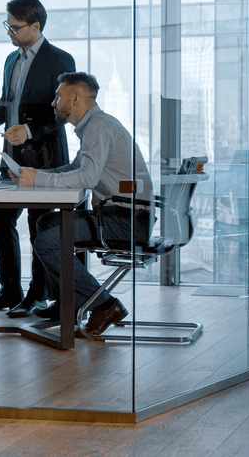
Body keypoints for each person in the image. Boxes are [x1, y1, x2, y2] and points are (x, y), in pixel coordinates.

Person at [19, 72, 154, 336]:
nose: (53, 103)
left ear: (76, 97)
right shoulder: (94, 125)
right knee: (45, 221)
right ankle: (66, 303)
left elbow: (87, 177)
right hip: (120, 215)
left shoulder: (98, 127)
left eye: (59, 96)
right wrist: (36, 177)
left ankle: (104, 304)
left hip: (127, 221)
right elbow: (76, 167)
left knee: (47, 242)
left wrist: (40, 178)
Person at [0, 0, 75, 318]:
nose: (9, 32)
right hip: (11, 156)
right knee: (1, 219)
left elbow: (63, 112)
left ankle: (37, 295)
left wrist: (29, 131)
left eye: (14, 27)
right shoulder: (11, 60)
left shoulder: (60, 60)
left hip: (43, 156)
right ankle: (9, 289)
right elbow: (5, 104)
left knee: (37, 224)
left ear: (36, 26)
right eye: (8, 25)